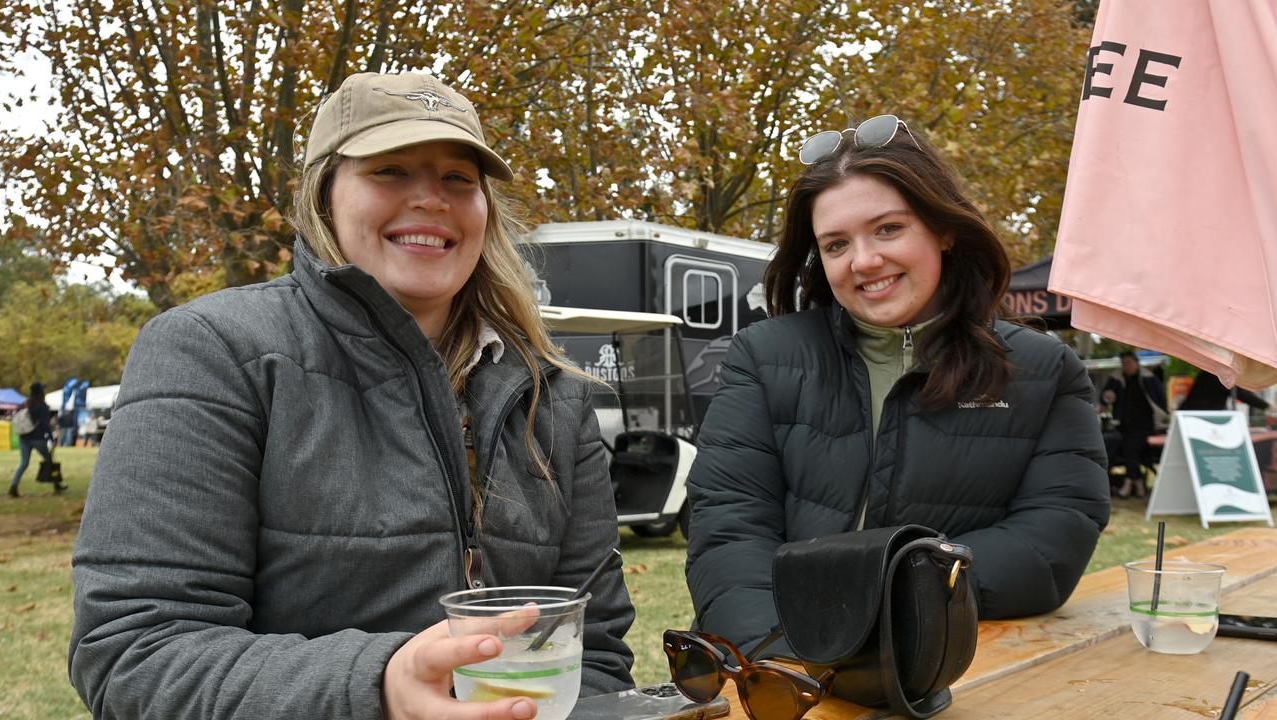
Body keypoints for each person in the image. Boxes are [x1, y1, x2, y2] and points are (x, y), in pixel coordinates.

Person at [69, 70, 634, 720]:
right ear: (325, 194)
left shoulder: (554, 398)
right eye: (390, 170)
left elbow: (596, 653)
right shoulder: (211, 353)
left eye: (459, 178)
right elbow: (134, 655)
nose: (432, 198)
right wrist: (378, 687)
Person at [684, 115, 1110, 655]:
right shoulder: (764, 355)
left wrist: (885, 603)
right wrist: (786, 662)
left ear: (944, 229)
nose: (864, 261)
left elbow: (1051, 540)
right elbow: (728, 530)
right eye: (836, 245)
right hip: (776, 675)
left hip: (947, 666)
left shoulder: (1042, 369)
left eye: (888, 229)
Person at [1101, 351, 1167, 498]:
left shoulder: (1148, 378)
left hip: (1146, 425)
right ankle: (1138, 485)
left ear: (1136, 362)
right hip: (1123, 425)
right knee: (1126, 448)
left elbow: (1160, 399)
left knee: (1131, 448)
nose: (1126, 366)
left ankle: (1128, 485)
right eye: (1124, 363)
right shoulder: (1117, 377)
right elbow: (1106, 396)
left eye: (1129, 363)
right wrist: (1108, 397)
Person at [8, 382, 57, 498]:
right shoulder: (43, 406)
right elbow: (45, 424)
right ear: (40, 392)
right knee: (49, 460)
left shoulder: (26, 404)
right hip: (38, 438)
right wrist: (51, 438)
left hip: (24, 438)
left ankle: (13, 486)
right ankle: (57, 484)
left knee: (24, 463)